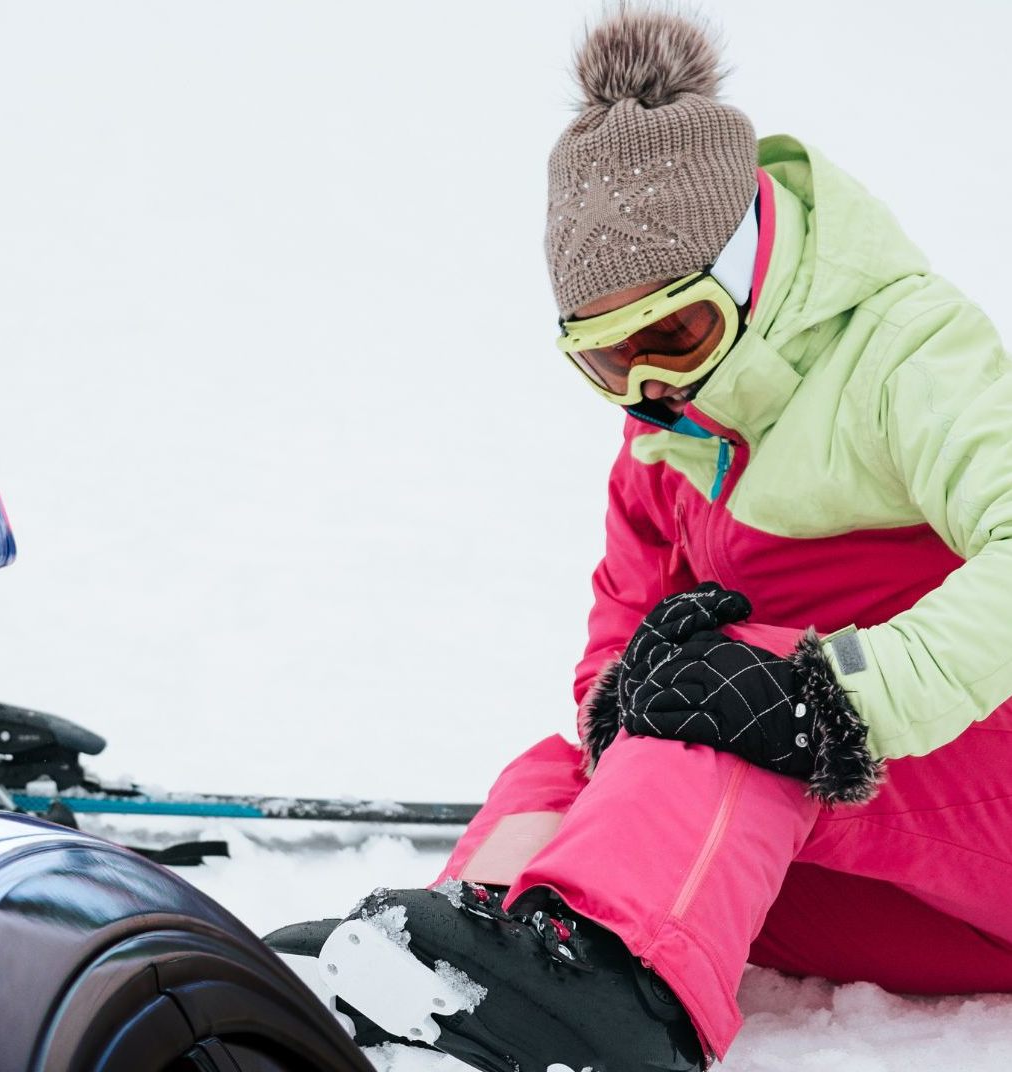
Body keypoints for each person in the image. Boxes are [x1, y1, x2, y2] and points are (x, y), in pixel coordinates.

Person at [264, 6, 1012, 1070]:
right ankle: (440, 972)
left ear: (749, 263)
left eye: (675, 331)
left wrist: (834, 692)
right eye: (611, 360)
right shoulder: (665, 442)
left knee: (731, 701)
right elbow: (615, 631)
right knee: (586, 747)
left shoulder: (907, 354)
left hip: (990, 811)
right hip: (903, 884)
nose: (653, 385)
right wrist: (621, 701)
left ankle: (589, 1002)